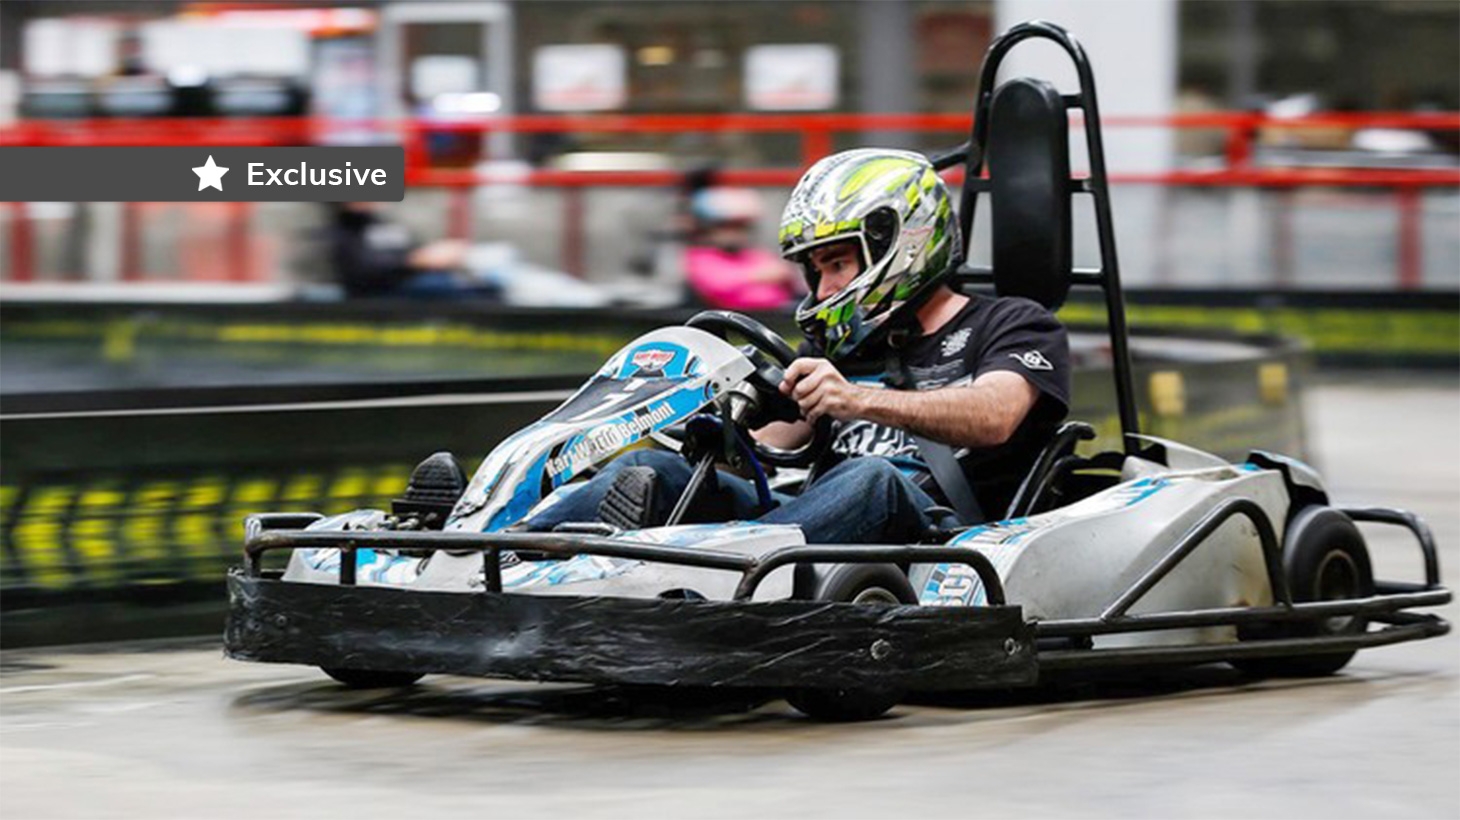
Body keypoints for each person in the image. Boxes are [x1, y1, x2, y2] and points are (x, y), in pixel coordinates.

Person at [525, 148, 1070, 543]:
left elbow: (996, 415)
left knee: (869, 478)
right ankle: (499, 551)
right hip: (806, 525)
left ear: (905, 244)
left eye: (838, 264)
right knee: (656, 470)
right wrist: (724, 421)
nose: (826, 287)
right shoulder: (842, 343)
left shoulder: (1014, 322)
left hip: (940, 533)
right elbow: (779, 441)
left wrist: (858, 399)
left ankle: (719, 574)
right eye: (817, 269)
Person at [325, 202, 499, 300]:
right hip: (381, 293)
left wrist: (435, 255)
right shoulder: (343, 228)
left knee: (488, 287)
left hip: (416, 281)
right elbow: (361, 270)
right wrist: (414, 261)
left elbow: (411, 248)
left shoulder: (383, 223)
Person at [682, 187, 802, 310]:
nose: (735, 233)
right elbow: (718, 286)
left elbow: (785, 275)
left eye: (741, 226)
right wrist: (761, 276)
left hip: (775, 317)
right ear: (707, 228)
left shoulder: (755, 254)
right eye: (726, 226)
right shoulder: (700, 258)